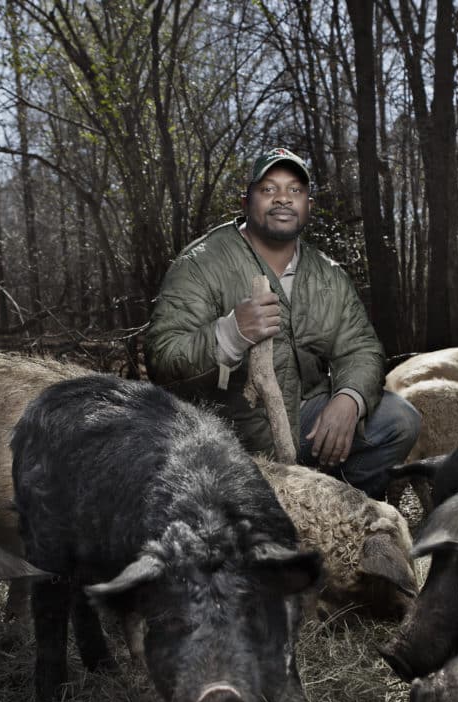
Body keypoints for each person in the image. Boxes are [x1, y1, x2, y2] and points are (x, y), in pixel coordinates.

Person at [144, 146, 420, 499]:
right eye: (269, 189)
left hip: (306, 424)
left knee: (399, 421)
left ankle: (341, 513)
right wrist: (230, 334)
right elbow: (162, 357)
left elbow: (360, 348)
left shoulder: (328, 275)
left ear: (307, 206)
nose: (282, 199)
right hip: (230, 436)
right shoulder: (201, 263)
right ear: (247, 202)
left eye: (295, 190)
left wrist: (348, 400)